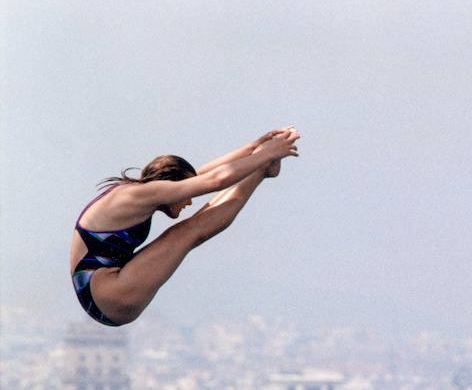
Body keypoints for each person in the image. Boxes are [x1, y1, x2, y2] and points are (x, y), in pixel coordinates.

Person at [69, 126, 300, 326]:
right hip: (109, 295)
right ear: (170, 184)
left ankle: (260, 169)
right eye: (185, 194)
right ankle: (260, 171)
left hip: (106, 296)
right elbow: (215, 180)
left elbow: (206, 174)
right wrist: (268, 153)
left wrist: (253, 148)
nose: (189, 201)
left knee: (187, 230)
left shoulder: (145, 190)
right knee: (188, 231)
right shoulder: (138, 195)